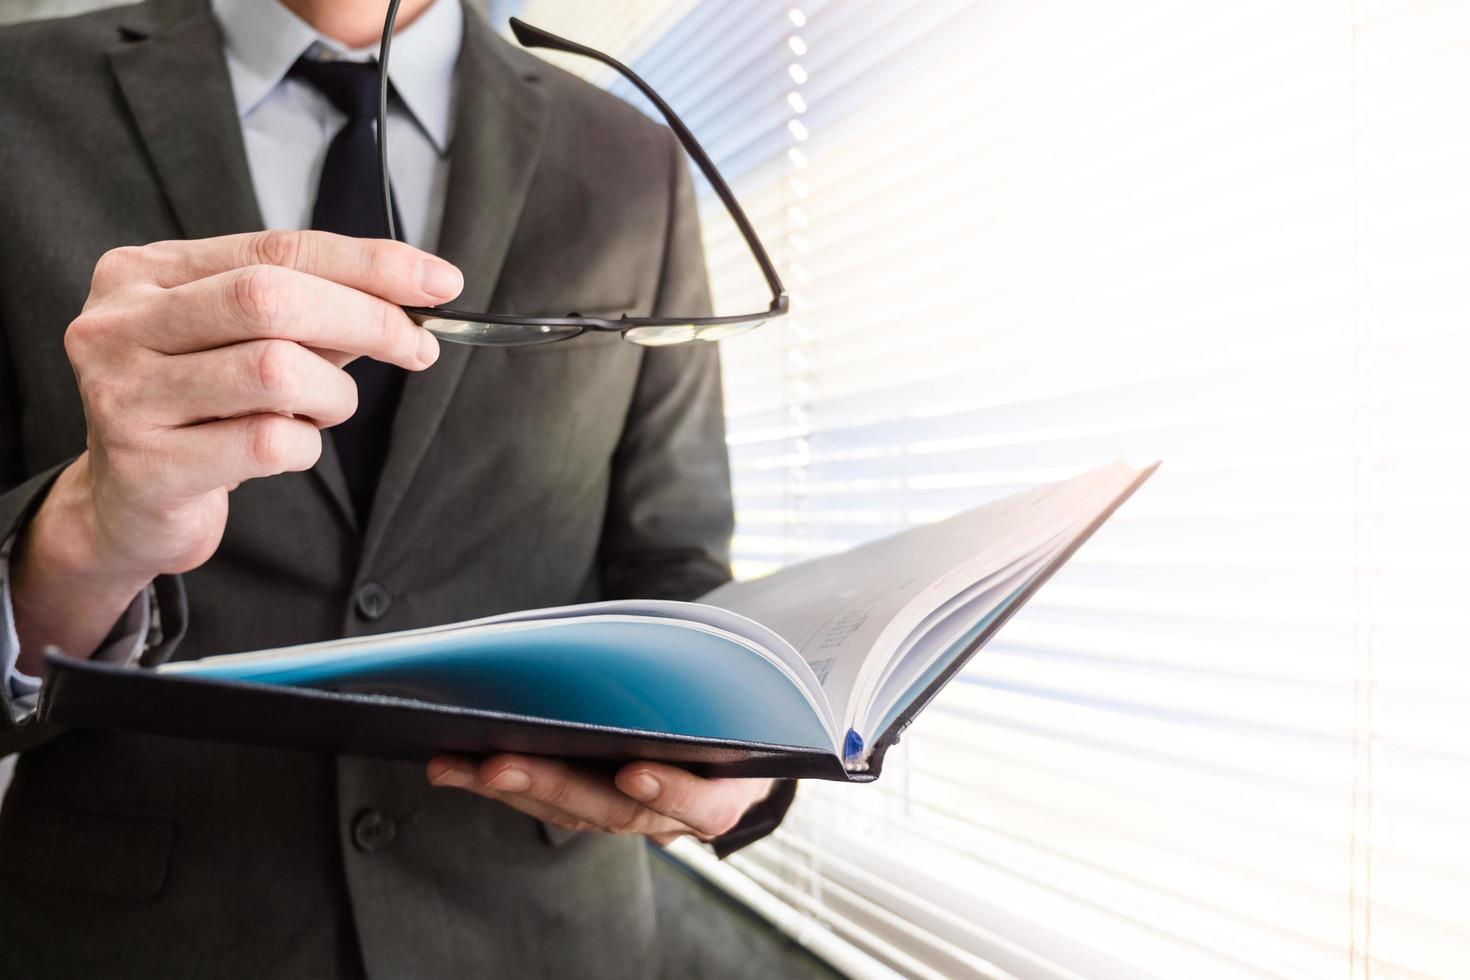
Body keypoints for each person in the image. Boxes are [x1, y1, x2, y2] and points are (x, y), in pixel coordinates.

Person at [0, 0, 794, 975]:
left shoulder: (632, 155)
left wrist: (747, 758)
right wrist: (86, 532)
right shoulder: (18, 100)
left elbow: (673, 560)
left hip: (538, 932)